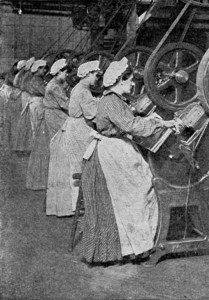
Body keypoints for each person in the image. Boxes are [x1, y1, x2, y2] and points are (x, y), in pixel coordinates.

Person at [78, 57, 178, 265]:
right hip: (112, 154)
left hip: (117, 149)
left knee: (138, 191)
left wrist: (155, 122)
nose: (133, 84)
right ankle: (133, 247)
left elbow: (130, 121)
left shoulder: (115, 99)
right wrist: (162, 125)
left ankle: (138, 245)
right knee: (137, 193)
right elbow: (130, 125)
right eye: (130, 80)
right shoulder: (111, 101)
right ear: (120, 80)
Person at [46, 60, 100, 217]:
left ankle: (78, 202)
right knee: (82, 164)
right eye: (96, 75)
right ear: (88, 75)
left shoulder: (79, 88)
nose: (97, 79)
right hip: (79, 129)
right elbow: (93, 114)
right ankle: (81, 203)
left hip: (74, 126)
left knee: (76, 164)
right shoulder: (83, 91)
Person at [26, 58, 69, 190]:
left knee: (47, 146)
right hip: (54, 116)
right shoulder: (54, 86)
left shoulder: (53, 83)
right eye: (65, 72)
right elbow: (65, 103)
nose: (67, 75)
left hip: (51, 114)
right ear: (59, 72)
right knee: (60, 144)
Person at [13, 57, 35, 152]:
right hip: (27, 96)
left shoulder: (24, 74)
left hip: (25, 95)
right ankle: (25, 146)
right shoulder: (27, 74)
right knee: (27, 120)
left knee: (26, 120)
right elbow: (23, 86)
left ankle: (24, 146)